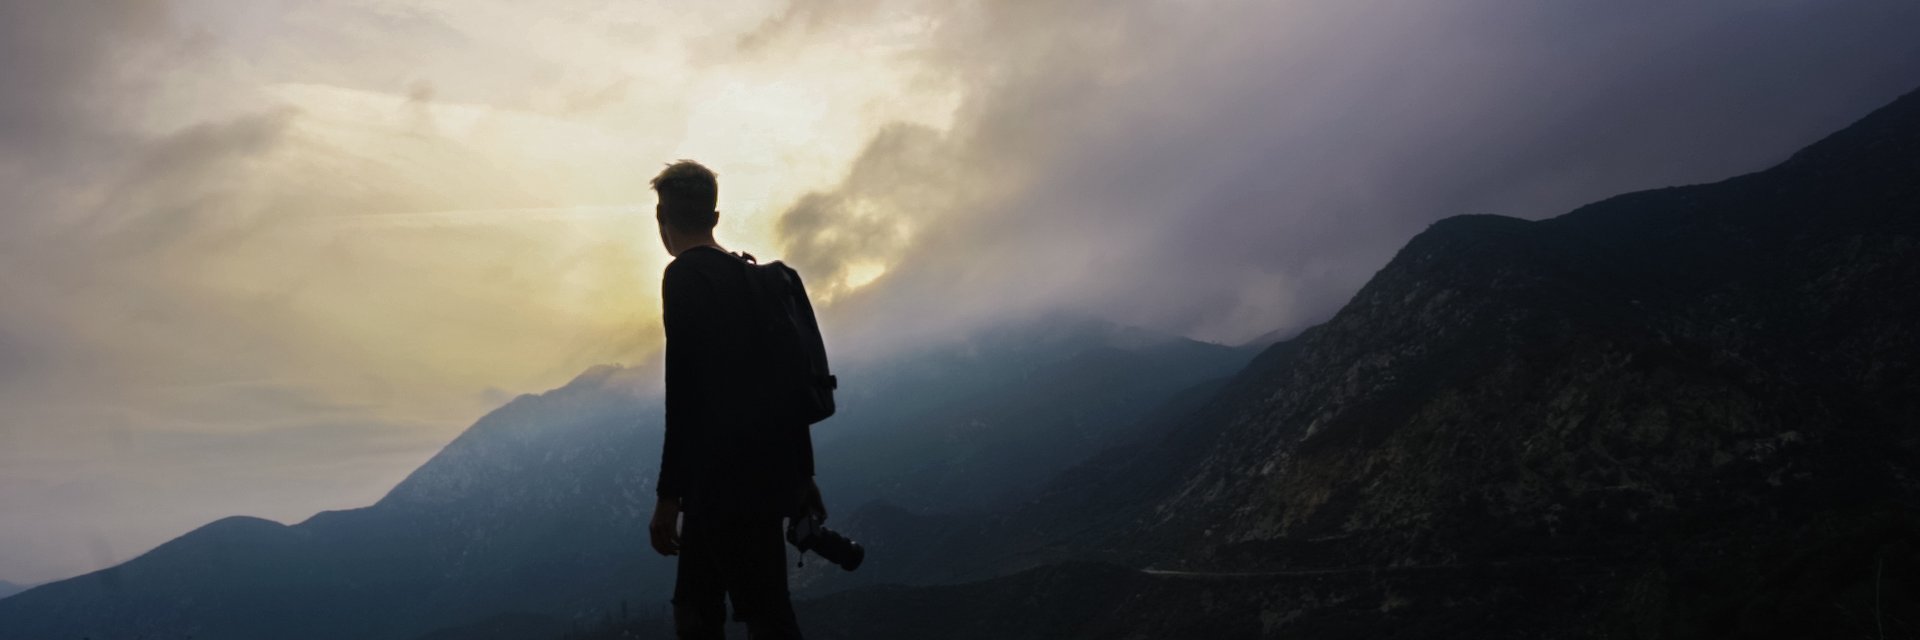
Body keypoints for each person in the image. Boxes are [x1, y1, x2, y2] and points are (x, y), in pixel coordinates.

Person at [646, 160, 825, 640]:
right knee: (703, 604)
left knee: (755, 613)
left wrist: (668, 495)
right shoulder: (753, 278)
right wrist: (802, 475)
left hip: (719, 481)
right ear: (715, 216)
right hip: (762, 474)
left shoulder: (682, 277)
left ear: (661, 218)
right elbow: (786, 385)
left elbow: (683, 391)